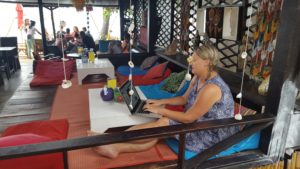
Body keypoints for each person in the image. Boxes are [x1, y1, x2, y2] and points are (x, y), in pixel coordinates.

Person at [89, 44, 238, 158]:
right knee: (159, 131)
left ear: (206, 62)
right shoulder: (198, 77)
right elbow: (183, 99)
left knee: (163, 122)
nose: (190, 61)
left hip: (211, 133)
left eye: (194, 59)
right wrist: (159, 102)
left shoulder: (212, 88)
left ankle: (110, 140)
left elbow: (189, 118)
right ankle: (116, 147)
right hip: (197, 123)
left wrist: (161, 110)